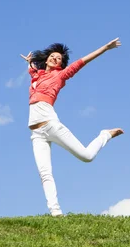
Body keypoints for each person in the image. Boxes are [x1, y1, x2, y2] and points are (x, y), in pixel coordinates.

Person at [20, 39, 124, 217]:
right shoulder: (37, 75)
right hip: (36, 133)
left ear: (61, 64)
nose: (54, 59)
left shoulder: (60, 76)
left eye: (58, 59)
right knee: (45, 173)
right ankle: (56, 212)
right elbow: (33, 70)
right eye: (52, 56)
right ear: (46, 60)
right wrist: (29, 62)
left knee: (86, 156)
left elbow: (82, 61)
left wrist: (105, 48)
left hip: (51, 125)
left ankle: (104, 135)